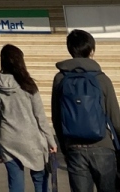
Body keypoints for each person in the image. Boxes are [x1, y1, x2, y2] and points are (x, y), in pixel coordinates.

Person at [51, 28, 120, 192]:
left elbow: (56, 117)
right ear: (92, 50)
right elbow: (115, 118)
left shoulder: (60, 78)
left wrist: (65, 146)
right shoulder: (101, 79)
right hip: (103, 146)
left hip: (74, 148)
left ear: (70, 49)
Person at [0, 44, 57, 192]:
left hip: (7, 139)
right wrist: (51, 141)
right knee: (40, 178)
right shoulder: (28, 84)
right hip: (31, 139)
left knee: (15, 182)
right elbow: (40, 117)